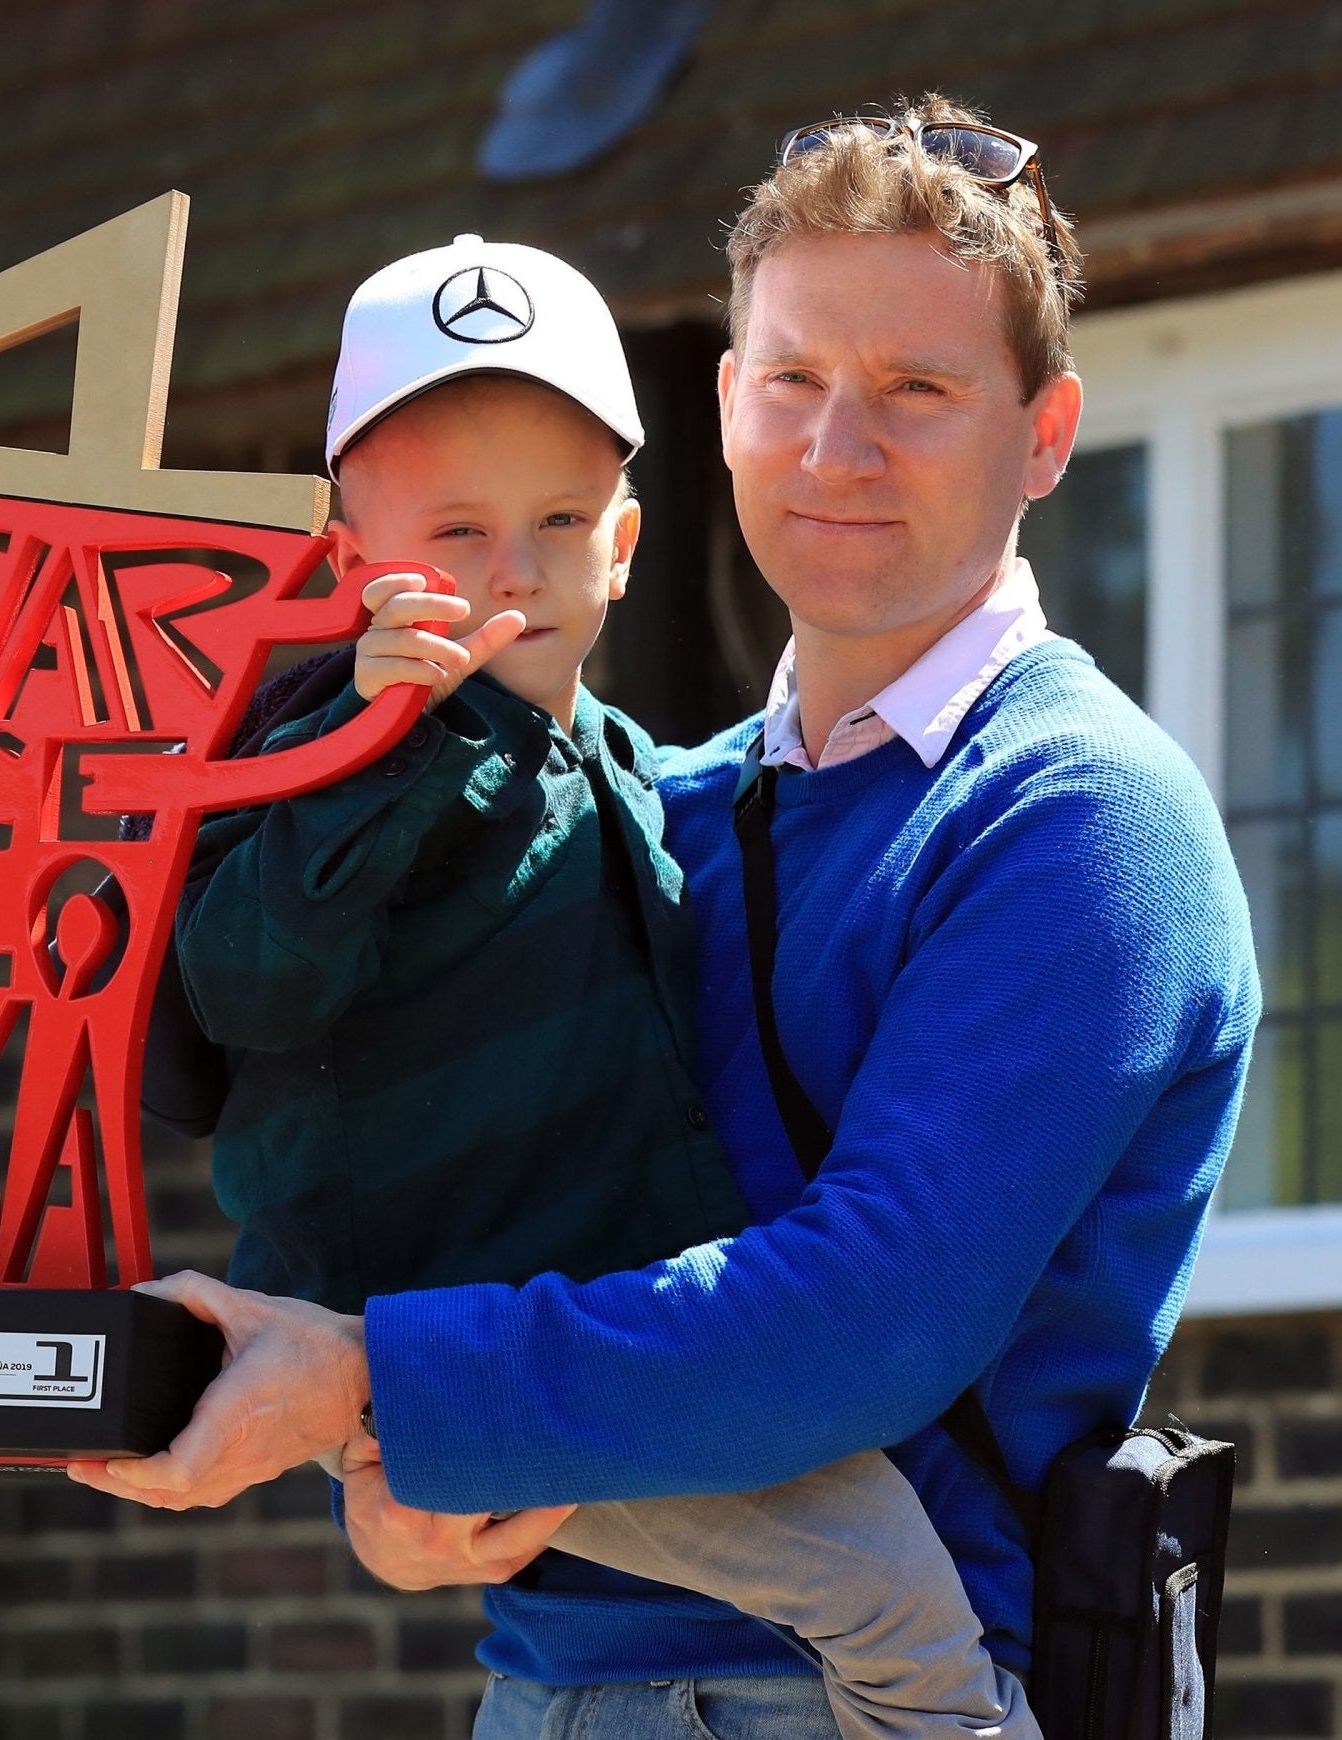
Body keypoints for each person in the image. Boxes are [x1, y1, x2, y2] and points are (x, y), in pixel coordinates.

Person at [73, 94, 1260, 1738]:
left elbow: (859, 1325)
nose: (835, 449)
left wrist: (377, 1382)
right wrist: (394, 1449)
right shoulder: (654, 806)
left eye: (915, 389)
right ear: (722, 405)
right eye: (793, 381)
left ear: (1045, 433)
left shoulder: (1075, 817)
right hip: (548, 1689)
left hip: (864, 1697)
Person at [165, 236, 1031, 1740]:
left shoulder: (634, 771)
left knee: (876, 1570)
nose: (511, 571)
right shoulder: (316, 759)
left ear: (622, 543)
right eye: (453, 532)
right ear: (343, 557)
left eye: (559, 521)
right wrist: (391, 738)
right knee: (887, 1586)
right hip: (471, 1348)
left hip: (580, 1349)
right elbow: (239, 984)